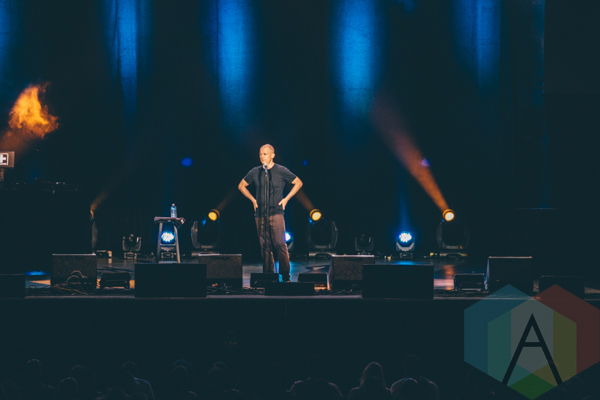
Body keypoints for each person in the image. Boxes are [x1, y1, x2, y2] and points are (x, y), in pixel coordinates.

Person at [238, 144, 303, 282]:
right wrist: (253, 200)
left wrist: (286, 199)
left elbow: (298, 182)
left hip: (276, 212)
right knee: (265, 246)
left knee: (280, 244)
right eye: (260, 154)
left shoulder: (281, 170)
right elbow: (241, 185)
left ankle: (285, 275)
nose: (262, 156)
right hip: (260, 214)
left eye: (265, 154)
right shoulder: (255, 171)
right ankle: (268, 275)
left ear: (272, 155)